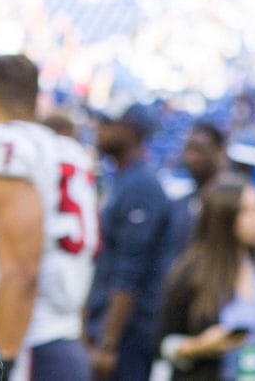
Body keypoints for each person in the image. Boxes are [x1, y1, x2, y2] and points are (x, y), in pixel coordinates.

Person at [0, 55, 99, 380]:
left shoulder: (2, 145)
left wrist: (4, 361)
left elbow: (22, 269)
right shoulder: (66, 150)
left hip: (22, 345)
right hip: (61, 337)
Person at [85, 103, 175, 380]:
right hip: (112, 326)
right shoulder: (125, 179)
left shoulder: (141, 185)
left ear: (130, 130)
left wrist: (108, 343)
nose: (100, 130)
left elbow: (129, 272)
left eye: (108, 123)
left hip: (128, 334)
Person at [157, 173, 255, 380]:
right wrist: (199, 346)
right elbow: (163, 344)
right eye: (248, 211)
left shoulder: (252, 264)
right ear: (225, 218)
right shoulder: (192, 272)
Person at [167, 122, 230, 261]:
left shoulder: (237, 201)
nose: (192, 158)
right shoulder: (180, 204)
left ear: (220, 152)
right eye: (188, 150)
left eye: (199, 150)